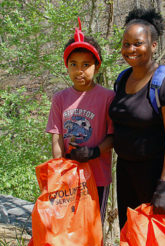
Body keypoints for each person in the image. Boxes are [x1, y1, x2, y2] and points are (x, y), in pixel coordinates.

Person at [109, 8, 165, 235]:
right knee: (132, 234)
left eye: (137, 43)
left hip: (156, 175)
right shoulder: (122, 80)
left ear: (153, 45)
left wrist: (164, 186)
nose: (130, 49)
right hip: (125, 171)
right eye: (126, 44)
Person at [46, 18, 115, 224]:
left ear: (96, 66)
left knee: (93, 225)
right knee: (69, 224)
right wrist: (59, 168)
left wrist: (93, 152)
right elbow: (57, 136)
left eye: (86, 65)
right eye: (74, 65)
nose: (79, 71)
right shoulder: (60, 98)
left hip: (98, 177)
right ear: (67, 66)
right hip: (69, 175)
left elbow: (113, 136)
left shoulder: (107, 97)